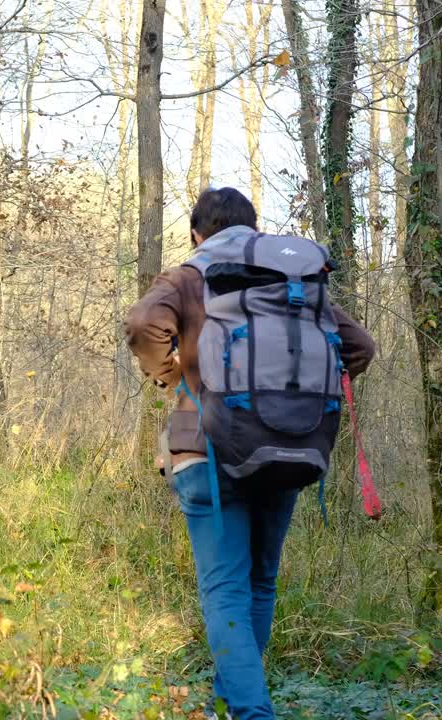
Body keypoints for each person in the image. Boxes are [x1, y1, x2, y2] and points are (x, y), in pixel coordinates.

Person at [125, 187, 376, 719]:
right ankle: (233, 704)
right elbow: (360, 348)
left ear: (197, 233)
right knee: (260, 583)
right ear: (254, 228)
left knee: (224, 590)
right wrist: (292, 397)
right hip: (287, 444)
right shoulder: (290, 285)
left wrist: (167, 374)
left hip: (205, 448)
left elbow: (144, 324)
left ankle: (250, 712)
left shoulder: (188, 275)